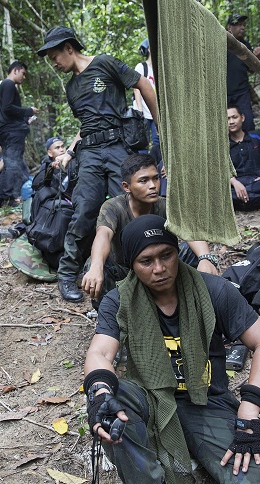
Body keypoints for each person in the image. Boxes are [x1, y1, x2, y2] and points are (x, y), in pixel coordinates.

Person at [83, 215, 260, 484]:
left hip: (206, 401)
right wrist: (99, 393)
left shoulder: (213, 290)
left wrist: (249, 414)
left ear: (177, 252)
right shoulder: (120, 300)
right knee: (110, 400)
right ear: (132, 265)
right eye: (146, 261)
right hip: (151, 399)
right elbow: (100, 352)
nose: (159, 268)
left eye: (166, 255)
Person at [38, 26, 159, 302]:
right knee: (85, 210)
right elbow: (86, 125)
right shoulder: (71, 88)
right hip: (90, 152)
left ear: (69, 48)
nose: (54, 63)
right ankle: (67, 274)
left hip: (118, 145)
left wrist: (160, 128)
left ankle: (136, 263)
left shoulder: (104, 63)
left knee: (130, 203)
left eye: (55, 55)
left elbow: (144, 84)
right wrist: (69, 151)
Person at [80, 154, 218, 303]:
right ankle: (111, 316)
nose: (152, 185)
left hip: (157, 267)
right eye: (143, 181)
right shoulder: (114, 207)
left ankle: (188, 304)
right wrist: (96, 267)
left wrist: (205, 257)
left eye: (156, 178)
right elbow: (103, 235)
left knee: (192, 251)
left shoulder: (165, 205)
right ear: (126, 187)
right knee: (94, 263)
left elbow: (190, 230)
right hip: (123, 273)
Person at [0, 61, 37, 209]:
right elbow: (7, 108)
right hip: (11, 132)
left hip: (9, 130)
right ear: (15, 70)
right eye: (23, 73)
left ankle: (2, 200)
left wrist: (25, 120)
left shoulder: (5, 86)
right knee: (13, 164)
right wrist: (28, 111)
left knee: (10, 163)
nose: (24, 77)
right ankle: (4, 198)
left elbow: (8, 112)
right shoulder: (8, 84)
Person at [226, 14, 260, 133]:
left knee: (247, 123)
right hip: (224, 93)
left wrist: (257, 58)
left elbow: (251, 70)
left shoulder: (245, 45)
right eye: (238, 25)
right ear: (229, 27)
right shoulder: (221, 43)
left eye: (243, 25)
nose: (242, 28)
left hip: (242, 92)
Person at [133, 39, 160, 148]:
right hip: (143, 110)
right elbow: (136, 89)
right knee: (142, 142)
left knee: (157, 141)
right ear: (149, 49)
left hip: (155, 111)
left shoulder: (159, 69)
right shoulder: (141, 67)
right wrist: (140, 109)